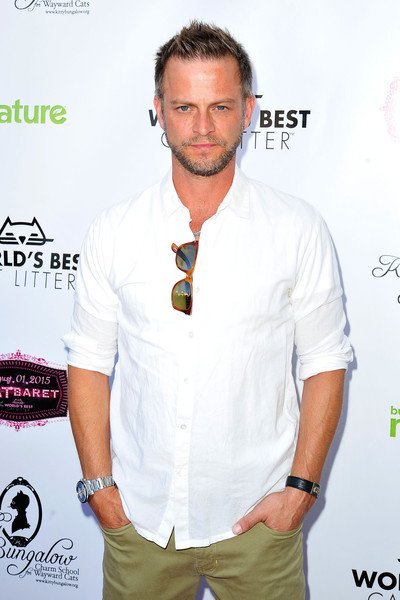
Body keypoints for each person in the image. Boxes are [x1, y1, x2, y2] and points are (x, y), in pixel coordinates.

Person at [63, 21, 352, 600]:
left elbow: (324, 361)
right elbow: (89, 363)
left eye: (220, 106)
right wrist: (101, 490)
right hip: (140, 524)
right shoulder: (114, 231)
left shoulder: (297, 229)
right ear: (159, 111)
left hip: (260, 525)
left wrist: (300, 491)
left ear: (248, 111)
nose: (202, 128)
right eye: (184, 107)